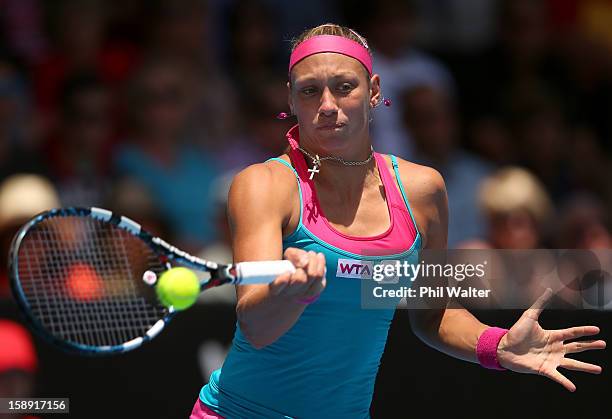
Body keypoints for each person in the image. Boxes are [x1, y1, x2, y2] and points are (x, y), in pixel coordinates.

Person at [190, 24, 605, 419]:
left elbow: (433, 312)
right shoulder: (263, 185)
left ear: (373, 91)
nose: (328, 106)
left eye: (344, 87)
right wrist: (293, 293)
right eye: (310, 91)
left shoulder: (423, 190)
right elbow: (256, 325)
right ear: (291, 99)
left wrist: (495, 345)